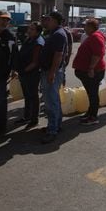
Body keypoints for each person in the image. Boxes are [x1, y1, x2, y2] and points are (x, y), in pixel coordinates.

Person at [39, 11, 68, 144]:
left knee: (51, 102)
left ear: (55, 20)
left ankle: (52, 130)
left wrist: (52, 73)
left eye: (49, 19)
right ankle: (56, 125)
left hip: (52, 72)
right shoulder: (54, 33)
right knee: (53, 100)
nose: (46, 21)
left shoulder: (58, 34)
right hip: (49, 71)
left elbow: (58, 55)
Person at [73, 18, 106, 125]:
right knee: (91, 93)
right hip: (88, 70)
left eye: (86, 26)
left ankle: (93, 117)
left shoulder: (96, 37)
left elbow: (98, 54)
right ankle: (90, 112)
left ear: (91, 27)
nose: (84, 27)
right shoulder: (93, 36)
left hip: (94, 71)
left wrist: (91, 68)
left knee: (93, 94)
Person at [15, 22, 45, 129]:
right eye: (29, 28)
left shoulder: (38, 43)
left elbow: (35, 62)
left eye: (32, 29)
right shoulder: (29, 39)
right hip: (24, 72)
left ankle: (34, 119)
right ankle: (27, 116)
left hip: (32, 73)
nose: (29, 31)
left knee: (33, 96)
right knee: (27, 96)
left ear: (38, 31)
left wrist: (23, 71)